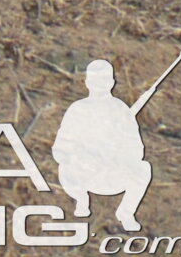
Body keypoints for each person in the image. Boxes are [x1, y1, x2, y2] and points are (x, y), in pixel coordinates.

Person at [51, 59, 154, 230]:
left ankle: (126, 213)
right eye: (95, 81)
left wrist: (117, 154)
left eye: (104, 81)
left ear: (112, 82)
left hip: (111, 174)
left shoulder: (121, 111)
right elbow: (60, 148)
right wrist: (80, 155)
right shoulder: (77, 109)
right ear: (87, 82)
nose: (100, 85)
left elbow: (137, 149)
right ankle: (81, 200)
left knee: (143, 169)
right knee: (66, 167)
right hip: (82, 173)